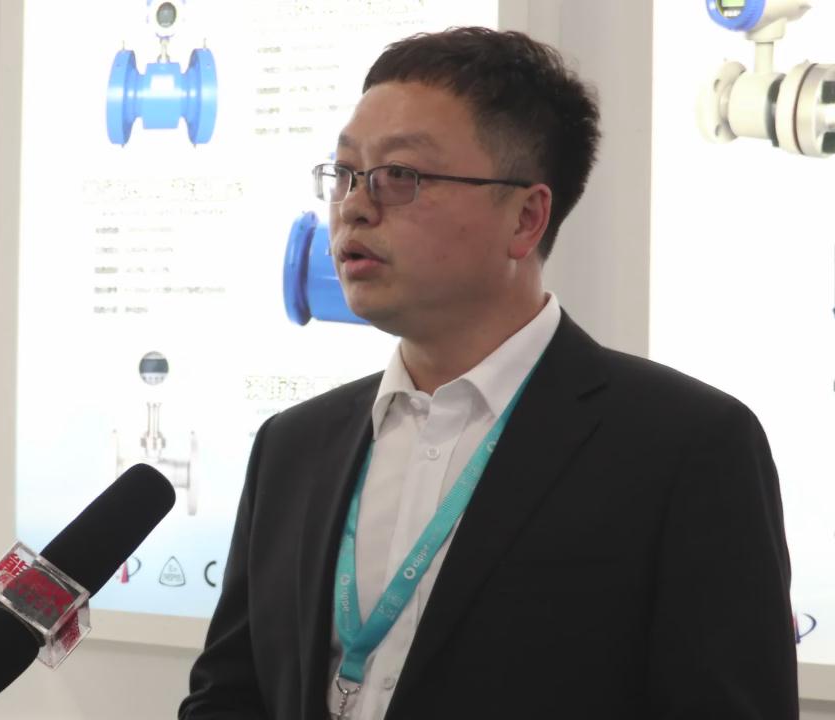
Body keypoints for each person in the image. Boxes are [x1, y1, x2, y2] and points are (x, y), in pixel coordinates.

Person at [178, 27, 797, 720]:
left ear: (526, 218)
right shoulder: (292, 447)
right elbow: (228, 696)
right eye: (346, 173)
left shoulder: (686, 448)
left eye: (400, 175)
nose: (354, 206)